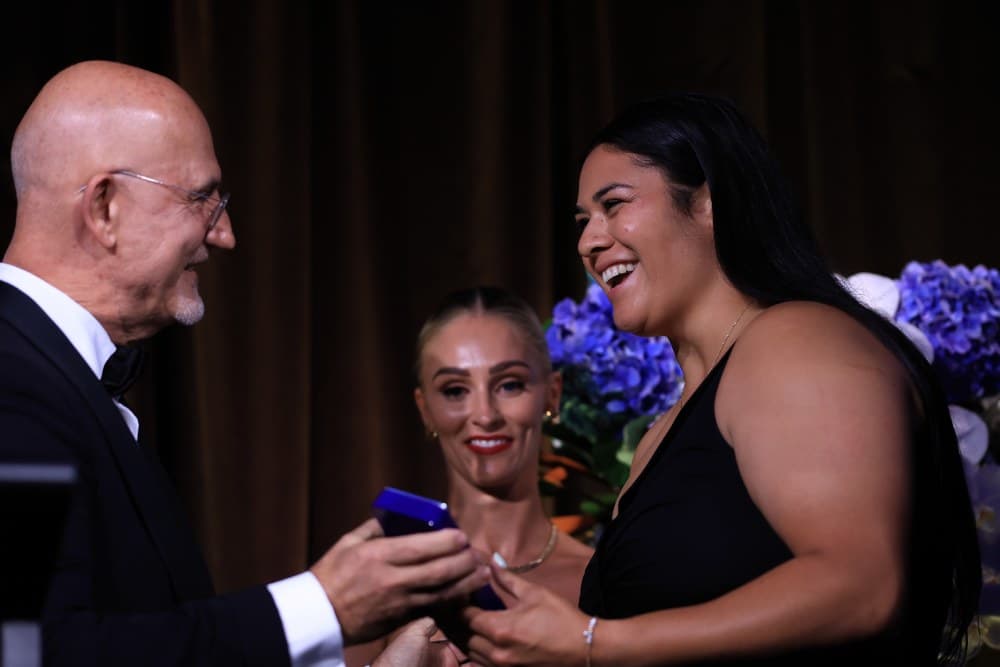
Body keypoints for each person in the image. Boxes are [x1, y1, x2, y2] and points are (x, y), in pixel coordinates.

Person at [461, 93, 981, 665]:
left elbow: (860, 585)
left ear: (708, 202)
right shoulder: (663, 434)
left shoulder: (797, 340)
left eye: (614, 204)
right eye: (584, 221)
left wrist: (593, 642)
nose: (589, 241)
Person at [0, 60, 490, 666]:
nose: (224, 233)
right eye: (202, 198)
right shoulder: (12, 378)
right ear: (104, 208)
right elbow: (34, 653)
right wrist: (324, 606)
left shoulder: (55, 373)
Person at [346, 286, 594, 666]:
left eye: (509, 384)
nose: (485, 415)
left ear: (552, 394)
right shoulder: (384, 578)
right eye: (455, 390)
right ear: (425, 409)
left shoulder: (599, 578)